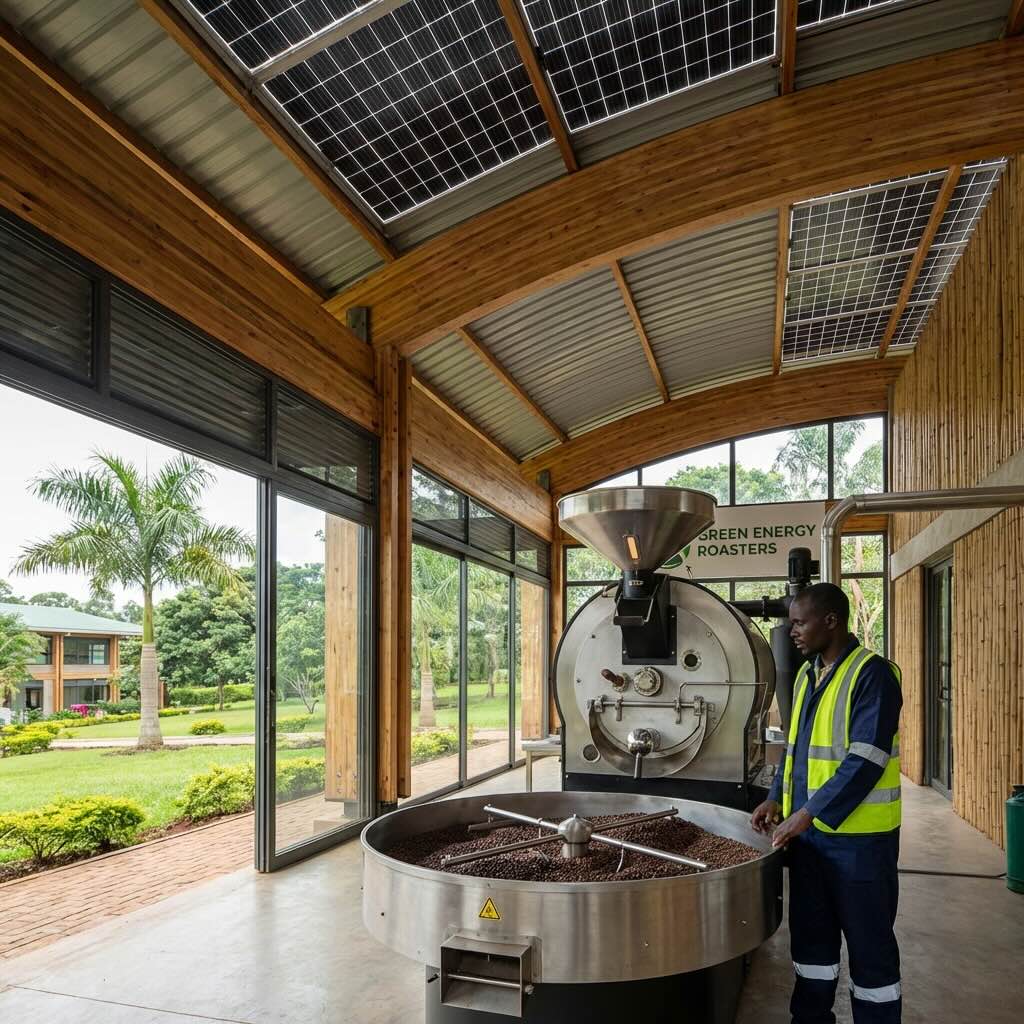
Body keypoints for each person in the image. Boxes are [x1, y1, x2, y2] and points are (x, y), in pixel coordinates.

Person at [751, 583, 903, 1024]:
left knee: (869, 948)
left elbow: (866, 758)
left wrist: (808, 813)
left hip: (860, 844)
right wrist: (776, 797)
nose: (792, 631)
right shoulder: (806, 674)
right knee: (812, 946)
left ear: (831, 621)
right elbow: (796, 748)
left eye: (799, 622)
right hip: (810, 842)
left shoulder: (872, 674)